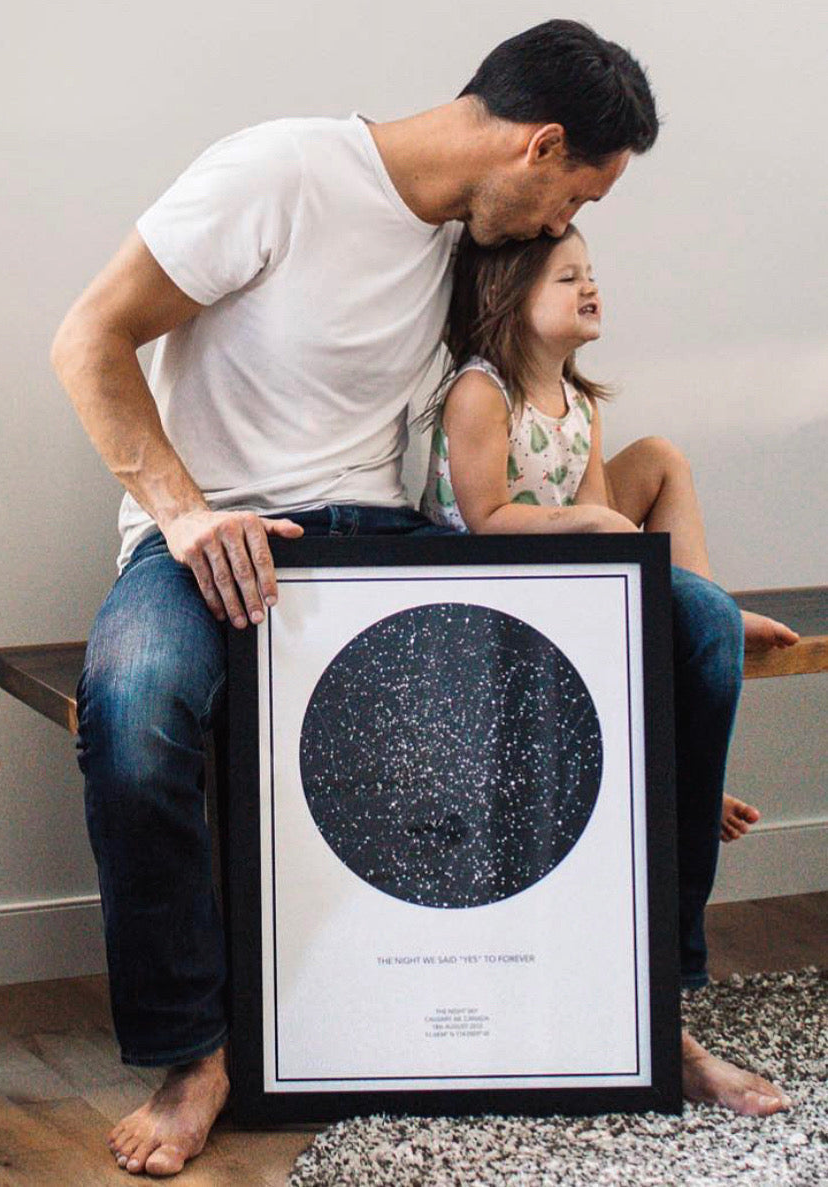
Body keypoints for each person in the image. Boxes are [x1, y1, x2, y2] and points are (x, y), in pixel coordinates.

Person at [52, 20, 791, 1179]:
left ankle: (657, 1009)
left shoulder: (465, 237)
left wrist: (640, 604)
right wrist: (189, 515)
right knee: (136, 706)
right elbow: (85, 339)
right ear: (541, 145)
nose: (563, 228)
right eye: (572, 199)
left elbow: (546, 412)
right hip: (212, 534)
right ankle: (193, 1052)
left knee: (694, 626)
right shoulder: (277, 172)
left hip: (393, 541)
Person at [417, 225, 799, 849]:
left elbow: (599, 515)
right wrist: (592, 523)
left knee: (660, 458)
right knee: (630, 574)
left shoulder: (581, 404)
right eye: (568, 279)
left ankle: (706, 608)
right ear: (506, 301)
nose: (590, 286)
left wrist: (602, 530)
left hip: (561, 551)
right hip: (491, 572)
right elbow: (486, 517)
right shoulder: (480, 392)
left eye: (590, 274)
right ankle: (687, 759)